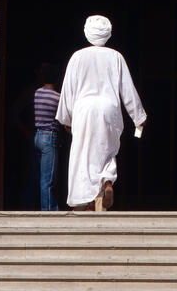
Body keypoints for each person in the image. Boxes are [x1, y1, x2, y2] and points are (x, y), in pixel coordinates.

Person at [56, 15, 147, 211]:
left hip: (84, 109)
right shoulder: (116, 57)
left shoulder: (77, 57)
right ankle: (107, 181)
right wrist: (138, 117)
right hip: (109, 109)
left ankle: (89, 201)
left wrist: (66, 118)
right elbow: (127, 89)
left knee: (83, 155)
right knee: (107, 151)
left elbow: (68, 89)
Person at [33, 62, 61, 211]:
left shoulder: (37, 93)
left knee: (39, 176)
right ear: (57, 79)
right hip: (49, 137)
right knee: (48, 179)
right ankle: (49, 211)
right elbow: (62, 119)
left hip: (37, 136)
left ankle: (41, 207)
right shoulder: (57, 98)